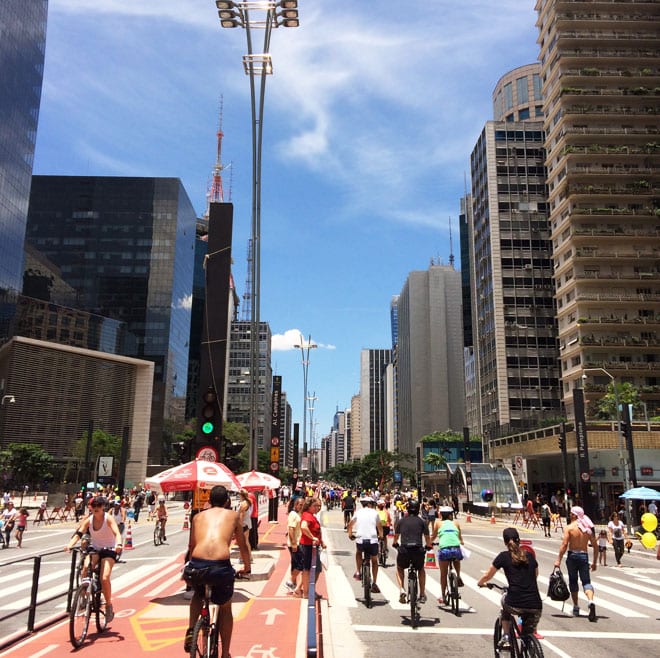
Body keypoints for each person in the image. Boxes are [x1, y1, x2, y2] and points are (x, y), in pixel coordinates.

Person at [183, 485, 250, 658]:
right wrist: (247, 567)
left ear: (209, 501)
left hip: (197, 563)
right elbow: (242, 545)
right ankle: (225, 652)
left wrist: (190, 566)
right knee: (225, 607)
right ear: (228, 501)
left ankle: (191, 629)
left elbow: (191, 545)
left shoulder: (197, 517)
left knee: (198, 595)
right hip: (220, 566)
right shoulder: (234, 516)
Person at [478, 527, 543, 649]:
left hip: (515, 603)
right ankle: (528, 647)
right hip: (536, 605)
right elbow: (536, 574)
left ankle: (506, 636)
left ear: (504, 542)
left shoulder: (503, 556)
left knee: (504, 604)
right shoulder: (529, 555)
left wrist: (481, 583)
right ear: (519, 540)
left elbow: (488, 575)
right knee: (526, 634)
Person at [66, 495, 123, 623]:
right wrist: (70, 544)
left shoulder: (108, 519)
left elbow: (117, 533)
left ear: (103, 507)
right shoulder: (89, 520)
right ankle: (84, 596)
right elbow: (79, 533)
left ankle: (108, 605)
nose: (96, 508)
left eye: (99, 506)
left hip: (110, 549)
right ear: (90, 507)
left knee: (104, 577)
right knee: (85, 568)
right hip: (96, 548)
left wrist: (119, 544)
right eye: (93, 506)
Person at [554, 505, 598, 621]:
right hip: (584, 555)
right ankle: (591, 601)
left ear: (574, 515)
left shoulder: (569, 528)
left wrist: (558, 559)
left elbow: (564, 545)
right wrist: (594, 562)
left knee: (573, 581)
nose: (569, 515)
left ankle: (576, 606)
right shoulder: (587, 529)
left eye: (571, 513)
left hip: (572, 556)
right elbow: (595, 546)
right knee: (586, 582)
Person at [392, 498, 431, 604]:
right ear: (418, 509)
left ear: (407, 509)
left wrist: (395, 543)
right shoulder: (422, 522)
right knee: (421, 569)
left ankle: (401, 590)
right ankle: (422, 594)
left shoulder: (401, 521)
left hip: (404, 550)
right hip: (418, 550)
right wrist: (428, 546)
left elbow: (396, 537)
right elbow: (427, 538)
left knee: (400, 568)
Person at [348, 496, 383, 594]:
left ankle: (358, 571)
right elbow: (379, 527)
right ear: (369, 504)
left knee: (359, 552)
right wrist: (381, 536)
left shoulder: (358, 512)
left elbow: (350, 524)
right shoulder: (375, 513)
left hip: (361, 539)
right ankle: (374, 583)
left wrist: (350, 534)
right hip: (372, 540)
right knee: (374, 561)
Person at [431, 505, 464, 605]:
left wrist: (429, 543)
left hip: (444, 550)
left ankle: (443, 595)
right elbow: (460, 538)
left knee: (443, 574)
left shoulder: (438, 523)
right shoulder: (456, 523)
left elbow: (433, 536)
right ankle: (458, 576)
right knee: (456, 558)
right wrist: (461, 542)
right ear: (450, 515)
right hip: (455, 548)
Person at [299, 497, 326, 598]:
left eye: (318, 506)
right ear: (308, 506)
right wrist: (312, 537)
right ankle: (307, 593)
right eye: (315, 506)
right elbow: (303, 527)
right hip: (307, 546)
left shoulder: (311, 516)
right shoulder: (307, 516)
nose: (317, 508)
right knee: (307, 570)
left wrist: (321, 541)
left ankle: (306, 590)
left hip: (313, 546)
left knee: (315, 569)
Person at [285, 497, 304, 595]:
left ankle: (293, 584)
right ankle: (290, 581)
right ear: (295, 505)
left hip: (298, 542)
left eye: (302, 505)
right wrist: (293, 543)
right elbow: (291, 529)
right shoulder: (293, 514)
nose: (301, 506)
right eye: (300, 505)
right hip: (294, 544)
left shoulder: (298, 514)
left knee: (295, 564)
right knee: (300, 564)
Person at [237, 490, 252, 566]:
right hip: (246, 523)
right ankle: (249, 557)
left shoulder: (243, 504)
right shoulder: (247, 503)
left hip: (243, 524)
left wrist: (239, 526)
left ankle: (243, 558)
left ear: (241, 495)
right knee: (245, 542)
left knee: (242, 542)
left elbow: (241, 515)